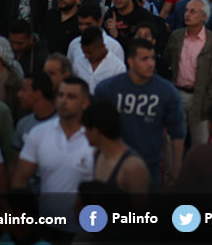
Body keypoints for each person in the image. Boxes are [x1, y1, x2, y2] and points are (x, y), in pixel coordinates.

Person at [95, 38, 186, 190]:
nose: (151, 63)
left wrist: (177, 166)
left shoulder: (166, 91)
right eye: (144, 59)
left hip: (150, 165)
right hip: (113, 164)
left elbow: (177, 132)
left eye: (152, 58)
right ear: (130, 61)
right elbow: (94, 127)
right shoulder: (108, 88)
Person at [11, 77, 92, 232]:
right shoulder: (39, 133)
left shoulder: (95, 138)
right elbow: (19, 180)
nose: (63, 101)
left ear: (85, 103)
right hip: (46, 226)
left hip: (85, 230)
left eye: (71, 97)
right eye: (60, 95)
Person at [164, 0, 212, 146]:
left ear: (204, 16)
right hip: (177, 94)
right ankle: (174, 170)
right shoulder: (176, 36)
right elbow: (166, 63)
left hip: (200, 97)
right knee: (172, 140)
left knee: (199, 142)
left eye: (193, 11)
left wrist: (209, 97)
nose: (187, 14)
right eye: (187, 10)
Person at [82, 99, 149, 201]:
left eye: (86, 129)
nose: (84, 134)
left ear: (95, 131)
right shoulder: (97, 154)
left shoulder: (132, 167)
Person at [72, 26, 126, 92]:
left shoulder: (118, 67)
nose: (86, 56)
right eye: (84, 52)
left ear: (102, 46)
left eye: (90, 53)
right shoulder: (78, 62)